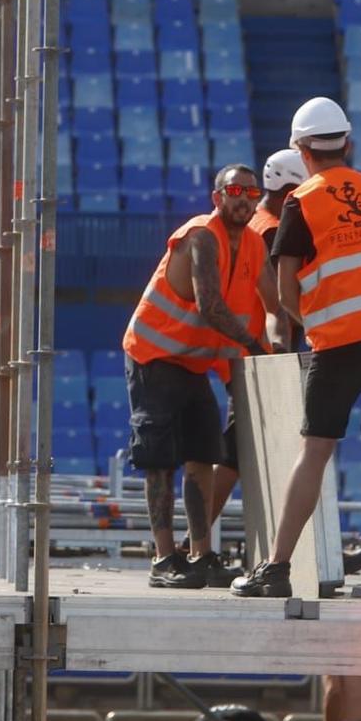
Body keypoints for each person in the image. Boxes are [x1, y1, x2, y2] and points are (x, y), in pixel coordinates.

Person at [233, 97, 361, 602]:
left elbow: (285, 290)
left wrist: (312, 325)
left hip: (341, 341)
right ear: (347, 143)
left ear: (301, 149)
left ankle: (275, 568)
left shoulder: (302, 201)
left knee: (315, 450)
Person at [122, 164, 268, 590]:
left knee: (203, 458)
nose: (244, 198)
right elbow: (211, 306)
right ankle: (164, 558)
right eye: (235, 190)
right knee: (160, 460)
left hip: (193, 363)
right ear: (217, 196)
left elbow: (275, 301)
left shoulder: (255, 245)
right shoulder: (202, 234)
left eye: (251, 192)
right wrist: (257, 349)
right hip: (155, 356)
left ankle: (199, 554)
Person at [250, 147, 308, 352]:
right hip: (273, 344)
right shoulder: (273, 232)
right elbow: (287, 295)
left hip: (256, 340)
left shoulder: (255, 219)